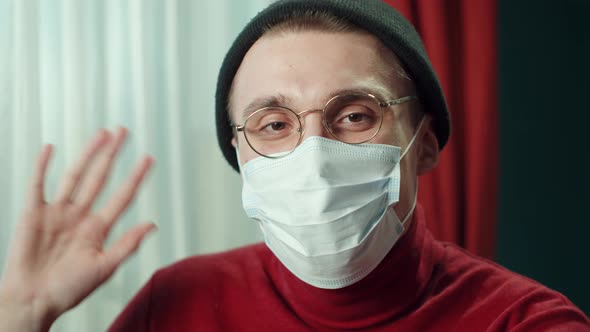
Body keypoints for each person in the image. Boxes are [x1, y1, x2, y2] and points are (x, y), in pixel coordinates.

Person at [1, 0, 589, 331]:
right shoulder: (175, 303)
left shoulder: (521, 322)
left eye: (355, 115)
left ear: (426, 142)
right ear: (240, 153)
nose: (314, 153)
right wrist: (21, 315)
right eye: (274, 125)